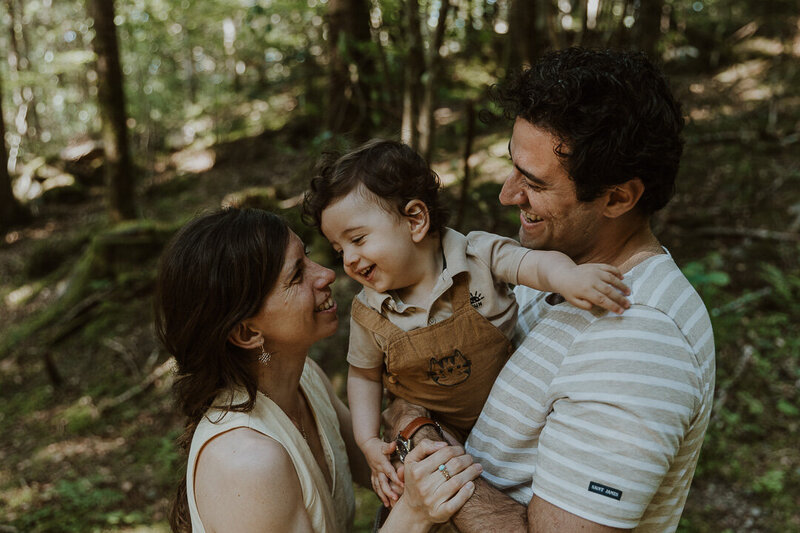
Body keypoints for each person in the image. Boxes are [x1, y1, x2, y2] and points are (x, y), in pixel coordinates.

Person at [384, 47, 715, 533]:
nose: (507, 194)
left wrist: (418, 435)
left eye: (533, 182)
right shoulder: (557, 272)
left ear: (618, 197)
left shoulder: (638, 341)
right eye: (513, 165)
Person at [303, 140, 631, 507]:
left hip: (514, 425)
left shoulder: (476, 255)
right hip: (435, 427)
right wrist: (367, 441)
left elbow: (531, 265)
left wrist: (568, 277)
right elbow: (363, 375)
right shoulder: (370, 312)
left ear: (415, 219)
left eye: (358, 239)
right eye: (338, 249)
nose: (348, 259)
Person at [155, 207, 482, 533]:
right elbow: (409, 501)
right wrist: (413, 513)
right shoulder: (246, 462)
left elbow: (383, 467)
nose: (326, 274)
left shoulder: (306, 378)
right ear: (247, 333)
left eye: (307, 257)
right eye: (297, 275)